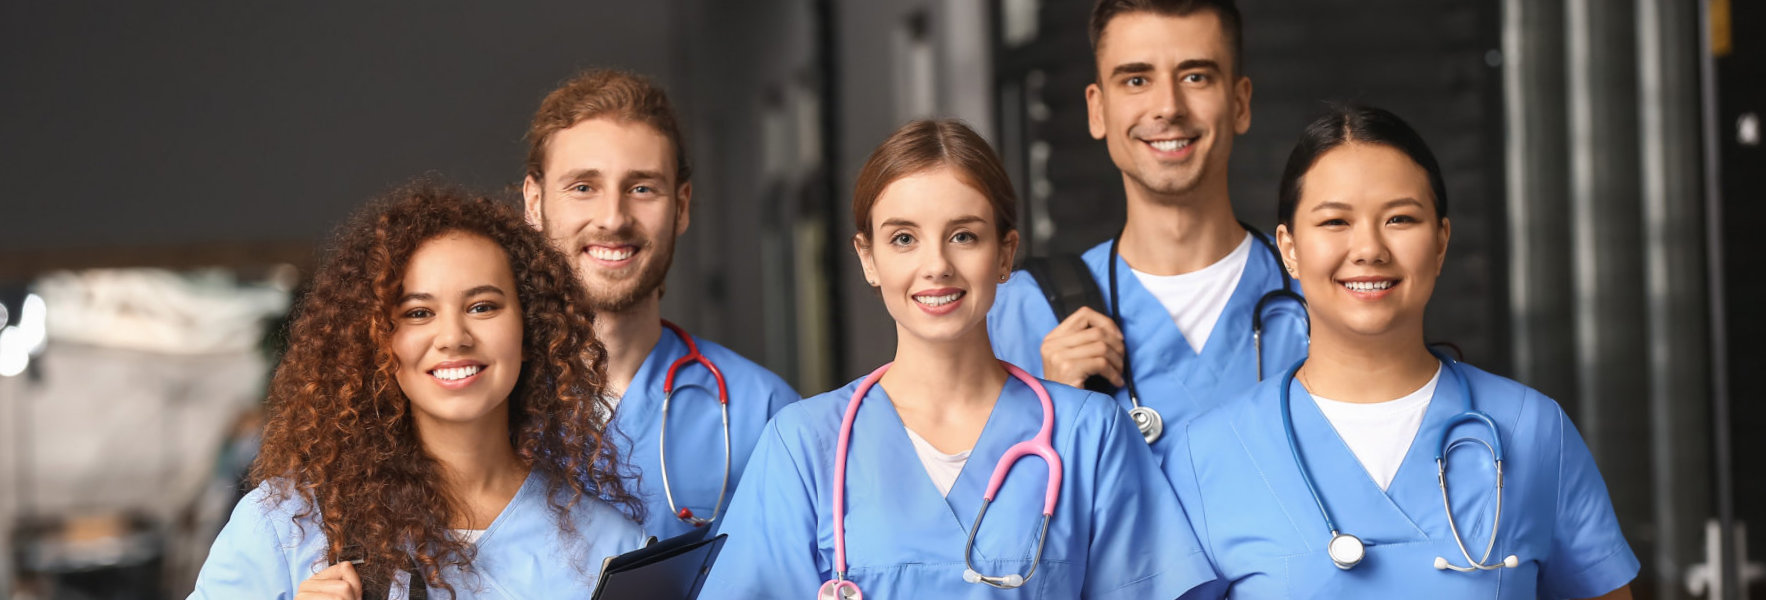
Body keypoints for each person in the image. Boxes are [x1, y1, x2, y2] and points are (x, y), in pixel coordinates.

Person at [704, 120, 1214, 599]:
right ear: (868, 258)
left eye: (964, 236)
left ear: (1006, 254)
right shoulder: (802, 445)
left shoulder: (1090, 433)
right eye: (904, 239)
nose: (936, 266)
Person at [1163, 105, 1639, 599]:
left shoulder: (1532, 431)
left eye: (1400, 218)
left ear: (1440, 242)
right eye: (1334, 222)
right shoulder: (1209, 455)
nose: (1369, 248)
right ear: (1289, 249)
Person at [189, 181, 648, 599]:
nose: (453, 337)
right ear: (377, 340)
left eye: (482, 306)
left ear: (530, 331)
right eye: (417, 313)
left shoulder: (614, 553)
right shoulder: (284, 528)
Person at [987, 0, 1306, 460]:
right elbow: (987, 520)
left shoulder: (1319, 300)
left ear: (1240, 103)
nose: (1168, 107)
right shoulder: (1019, 313)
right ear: (1097, 110)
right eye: (1136, 80)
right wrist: (1053, 413)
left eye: (1195, 76)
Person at [521, 69, 801, 539]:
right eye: (583, 187)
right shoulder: (486, 397)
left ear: (683, 205)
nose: (613, 218)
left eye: (642, 188)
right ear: (534, 202)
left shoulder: (763, 413)